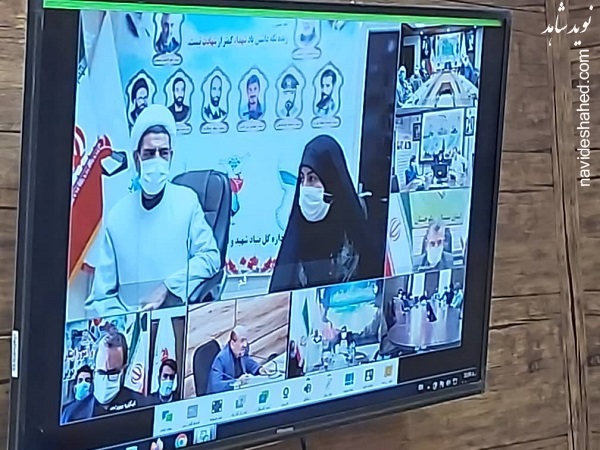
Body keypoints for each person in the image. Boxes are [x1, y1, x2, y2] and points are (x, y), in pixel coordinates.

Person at [85, 105, 221, 316]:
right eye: (149, 153)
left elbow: (210, 258)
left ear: (170, 157)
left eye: (163, 153)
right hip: (127, 324)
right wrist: (122, 322)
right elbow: (102, 296)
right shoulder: (117, 215)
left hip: (174, 317)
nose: (157, 160)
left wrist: (168, 287)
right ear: (137, 158)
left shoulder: (187, 202)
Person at [269, 135, 375, 292]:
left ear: (331, 180)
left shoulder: (355, 234)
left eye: (312, 178)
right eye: (302, 178)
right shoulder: (298, 232)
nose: (305, 187)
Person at [93, 330, 146, 416]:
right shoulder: (73, 413)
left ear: (124, 369)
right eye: (101, 372)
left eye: (112, 373)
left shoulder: (142, 406)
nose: (105, 380)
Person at [207, 326, 269, 393]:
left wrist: (259, 369)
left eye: (245, 341)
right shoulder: (221, 359)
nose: (245, 345)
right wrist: (237, 382)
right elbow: (215, 386)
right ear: (232, 344)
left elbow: (248, 362)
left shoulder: (241, 352)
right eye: (242, 341)